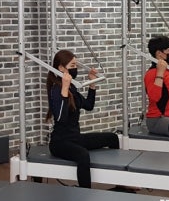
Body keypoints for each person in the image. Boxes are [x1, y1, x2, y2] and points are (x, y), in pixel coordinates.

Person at [46, 49, 119, 188]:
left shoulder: (73, 89)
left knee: (112, 138)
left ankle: (119, 183)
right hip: (60, 143)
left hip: (75, 138)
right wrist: (64, 89)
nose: (75, 69)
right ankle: (85, 192)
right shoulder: (56, 90)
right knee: (83, 155)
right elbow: (61, 118)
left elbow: (89, 105)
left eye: (76, 66)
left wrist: (92, 83)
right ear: (61, 68)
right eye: (72, 66)